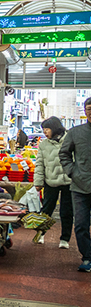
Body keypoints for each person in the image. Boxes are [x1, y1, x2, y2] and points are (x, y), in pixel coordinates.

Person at [59, 97, 91, 272]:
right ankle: (87, 257)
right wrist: (72, 172)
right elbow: (64, 154)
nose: (90, 112)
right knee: (80, 224)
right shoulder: (75, 132)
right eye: (88, 109)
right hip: (79, 186)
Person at [33, 117, 72, 249]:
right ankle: (41, 234)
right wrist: (38, 182)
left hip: (68, 181)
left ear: (54, 128)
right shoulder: (44, 144)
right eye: (43, 129)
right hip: (50, 181)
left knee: (67, 211)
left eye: (47, 129)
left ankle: (65, 239)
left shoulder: (70, 140)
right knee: (46, 209)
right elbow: (39, 164)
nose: (45, 132)